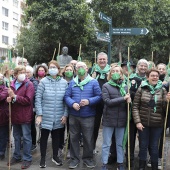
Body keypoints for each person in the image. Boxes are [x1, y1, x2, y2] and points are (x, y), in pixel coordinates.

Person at [64, 61, 101, 169]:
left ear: (87, 69)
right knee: (74, 137)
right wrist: (72, 103)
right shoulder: (72, 82)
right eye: (78, 67)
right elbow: (66, 96)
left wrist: (89, 101)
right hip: (74, 115)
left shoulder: (93, 82)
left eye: (82, 67)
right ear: (75, 70)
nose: (80, 69)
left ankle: (88, 158)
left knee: (88, 138)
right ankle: (74, 159)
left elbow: (99, 96)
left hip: (88, 115)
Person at [35, 60, 68, 168]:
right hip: (46, 115)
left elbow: (66, 101)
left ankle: (55, 156)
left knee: (56, 137)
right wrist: (39, 114)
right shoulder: (43, 81)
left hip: (59, 115)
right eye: (51, 67)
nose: (52, 69)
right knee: (44, 137)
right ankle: (43, 158)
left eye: (55, 67)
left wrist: (65, 115)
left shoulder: (64, 83)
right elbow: (38, 99)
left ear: (59, 70)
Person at [133, 68, 167, 170]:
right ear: (148, 77)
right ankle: (141, 167)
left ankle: (154, 166)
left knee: (154, 147)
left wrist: (167, 101)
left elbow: (165, 109)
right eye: (152, 75)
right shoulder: (141, 88)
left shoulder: (163, 90)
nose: (155, 77)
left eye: (156, 76)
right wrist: (138, 122)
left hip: (157, 124)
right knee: (143, 146)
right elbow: (135, 106)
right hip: (143, 124)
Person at [101, 65, 131, 170]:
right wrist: (123, 98)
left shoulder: (126, 86)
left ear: (121, 74)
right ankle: (104, 164)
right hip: (109, 119)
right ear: (110, 73)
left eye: (117, 71)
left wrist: (129, 102)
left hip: (121, 120)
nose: (115, 73)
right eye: (113, 71)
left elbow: (128, 104)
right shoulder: (106, 86)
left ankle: (120, 163)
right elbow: (107, 102)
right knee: (106, 143)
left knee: (120, 144)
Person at [7, 65, 35, 169]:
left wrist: (15, 97)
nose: (24, 74)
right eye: (21, 72)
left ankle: (27, 158)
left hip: (25, 115)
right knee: (16, 137)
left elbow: (28, 100)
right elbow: (10, 99)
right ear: (15, 74)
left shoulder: (29, 84)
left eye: (24, 72)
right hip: (15, 115)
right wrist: (9, 99)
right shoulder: (11, 84)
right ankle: (17, 155)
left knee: (26, 137)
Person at [126, 59, 149, 167]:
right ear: (138, 67)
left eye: (145, 66)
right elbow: (128, 92)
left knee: (143, 138)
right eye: (141, 65)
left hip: (143, 113)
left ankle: (142, 159)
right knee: (130, 137)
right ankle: (129, 159)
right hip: (131, 113)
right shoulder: (131, 78)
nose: (143, 68)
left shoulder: (149, 80)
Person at [89, 52, 111, 154]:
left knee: (109, 126)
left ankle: (110, 149)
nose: (102, 61)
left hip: (108, 103)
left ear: (107, 60)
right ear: (97, 60)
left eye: (104, 59)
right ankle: (92, 147)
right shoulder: (92, 71)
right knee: (94, 126)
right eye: (100, 59)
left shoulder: (111, 71)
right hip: (95, 103)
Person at [26, 66, 39, 152]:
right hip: (24, 107)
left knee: (31, 125)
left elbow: (34, 94)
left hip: (32, 107)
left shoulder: (34, 82)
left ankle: (33, 143)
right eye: (25, 72)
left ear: (32, 73)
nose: (27, 74)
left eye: (28, 72)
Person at [0, 73, 9, 160]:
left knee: (2, 135)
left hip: (2, 116)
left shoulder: (5, 89)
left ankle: (1, 152)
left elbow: (1, 97)